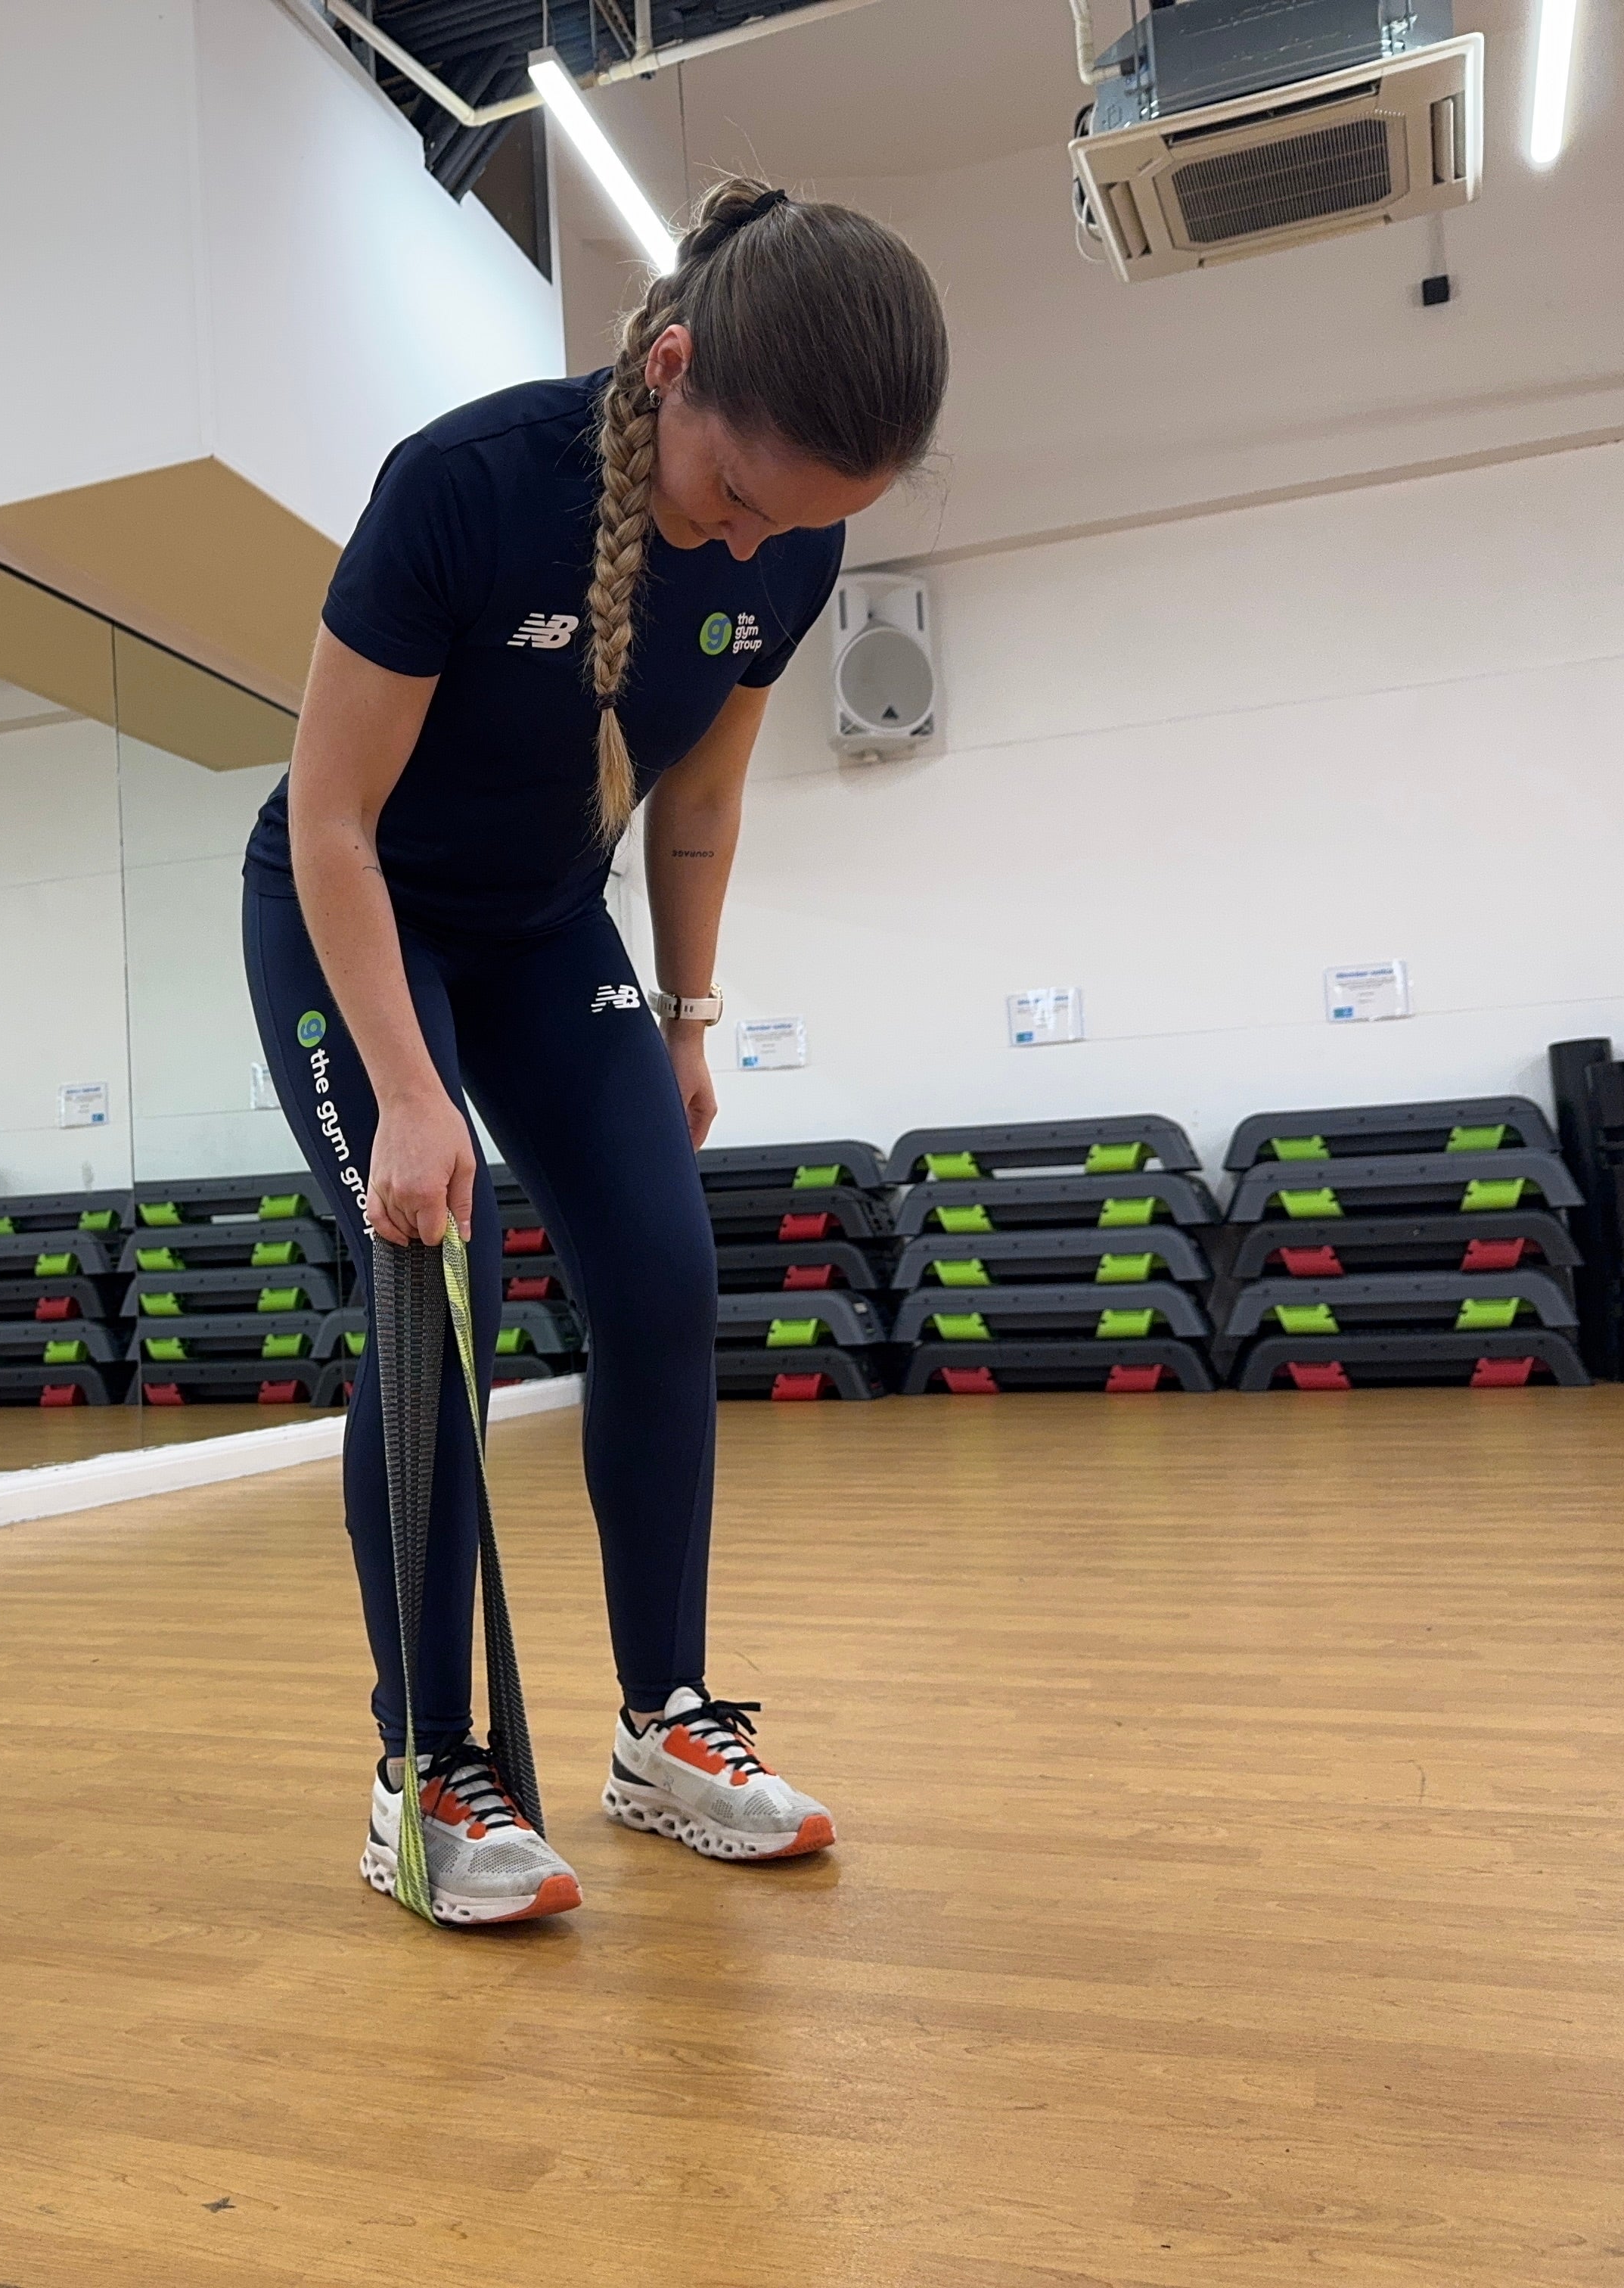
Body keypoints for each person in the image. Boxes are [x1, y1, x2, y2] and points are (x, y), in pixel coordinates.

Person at [243, 177, 950, 1926]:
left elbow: (700, 796)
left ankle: (664, 1730)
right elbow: (332, 820)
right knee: (442, 1270)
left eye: (793, 524)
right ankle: (427, 1771)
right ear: (673, 374)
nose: (741, 545)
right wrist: (413, 1094)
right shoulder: (471, 486)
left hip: (555, 925)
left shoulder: (789, 535)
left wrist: (692, 1018)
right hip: (363, 908)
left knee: (660, 1270)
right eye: (729, 496)